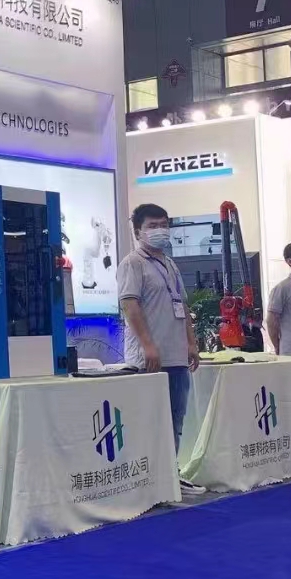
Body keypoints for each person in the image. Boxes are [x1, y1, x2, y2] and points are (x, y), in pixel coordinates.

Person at [117, 203, 201, 494]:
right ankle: (149, 481)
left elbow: (182, 306)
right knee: (150, 421)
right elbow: (130, 305)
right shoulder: (133, 263)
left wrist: (191, 343)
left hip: (176, 355)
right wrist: (148, 346)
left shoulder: (169, 264)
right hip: (149, 358)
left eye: (164, 225)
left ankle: (169, 475)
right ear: (138, 231)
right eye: (152, 226)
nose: (160, 230)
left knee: (175, 419)